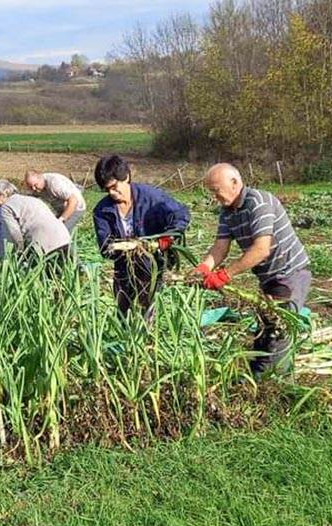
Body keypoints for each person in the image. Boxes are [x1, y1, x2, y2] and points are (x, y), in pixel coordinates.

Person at [193, 163, 312, 377]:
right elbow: (220, 246)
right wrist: (205, 267)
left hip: (289, 273)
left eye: (216, 190)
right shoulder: (227, 212)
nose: (214, 197)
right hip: (269, 278)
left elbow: (261, 250)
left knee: (278, 331)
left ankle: (273, 386)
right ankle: (263, 378)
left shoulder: (259, 202)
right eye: (211, 192)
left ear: (235, 183)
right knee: (265, 330)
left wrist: (225, 274)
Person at [91, 154, 190, 319]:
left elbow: (181, 214)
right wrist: (124, 248)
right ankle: (127, 337)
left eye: (115, 187)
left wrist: (168, 237)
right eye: (107, 190)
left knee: (148, 307)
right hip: (123, 267)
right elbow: (105, 247)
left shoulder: (152, 198)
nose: (113, 193)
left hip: (152, 264)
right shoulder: (102, 211)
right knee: (124, 311)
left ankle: (146, 338)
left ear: (126, 177)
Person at [0, 179, 71, 272]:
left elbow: (14, 234)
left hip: (44, 244)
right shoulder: (32, 199)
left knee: (41, 277)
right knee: (71, 271)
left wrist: (20, 254)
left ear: (1, 194)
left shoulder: (6, 207)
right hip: (64, 237)